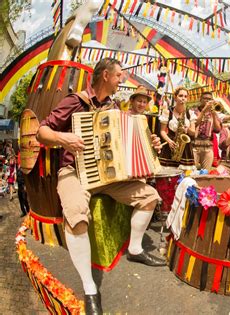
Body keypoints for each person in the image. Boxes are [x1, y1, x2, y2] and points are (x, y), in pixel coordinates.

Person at [37, 58, 165, 314]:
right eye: (119, 76)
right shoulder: (76, 101)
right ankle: (89, 287)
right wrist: (64, 138)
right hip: (74, 171)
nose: (121, 81)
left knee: (150, 196)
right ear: (105, 75)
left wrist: (150, 142)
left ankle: (136, 248)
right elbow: (42, 131)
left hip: (107, 178)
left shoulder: (114, 108)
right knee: (76, 213)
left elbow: (126, 142)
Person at [159, 87, 196, 170]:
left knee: (185, 174)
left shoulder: (190, 113)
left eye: (185, 96)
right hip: (171, 144)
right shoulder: (167, 112)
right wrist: (169, 141)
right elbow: (162, 131)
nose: (183, 98)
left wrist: (187, 129)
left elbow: (193, 132)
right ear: (175, 97)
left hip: (185, 147)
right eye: (181, 96)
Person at [193, 92, 222, 170]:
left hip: (208, 146)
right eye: (205, 98)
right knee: (191, 171)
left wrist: (214, 114)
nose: (207, 100)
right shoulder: (193, 111)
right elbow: (194, 124)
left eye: (210, 99)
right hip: (194, 145)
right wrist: (203, 111)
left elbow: (218, 129)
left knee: (206, 173)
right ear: (200, 99)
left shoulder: (214, 112)